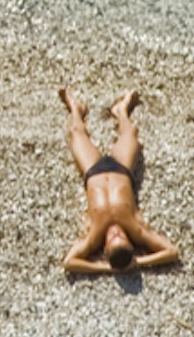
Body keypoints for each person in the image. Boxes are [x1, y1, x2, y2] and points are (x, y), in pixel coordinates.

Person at [57, 85, 182, 276]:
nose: (116, 232)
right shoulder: (136, 230)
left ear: (105, 249)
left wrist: (108, 268)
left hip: (93, 171)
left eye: (113, 238)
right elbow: (171, 252)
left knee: (75, 132)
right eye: (121, 237)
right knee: (131, 133)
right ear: (130, 242)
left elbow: (69, 262)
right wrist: (136, 263)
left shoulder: (94, 236)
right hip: (121, 169)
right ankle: (121, 111)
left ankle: (75, 108)